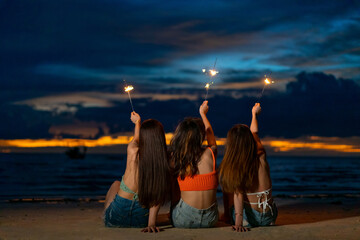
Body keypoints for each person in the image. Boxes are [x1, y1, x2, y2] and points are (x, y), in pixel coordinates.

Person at [103, 112, 170, 233]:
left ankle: (105, 214)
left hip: (116, 218)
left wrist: (137, 123)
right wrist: (151, 223)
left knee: (115, 184)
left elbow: (136, 139)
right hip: (141, 220)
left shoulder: (133, 151)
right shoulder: (162, 162)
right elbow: (157, 197)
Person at [219, 103, 277, 232]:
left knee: (231, 186)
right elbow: (254, 133)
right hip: (269, 216)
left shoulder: (237, 166)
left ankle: (228, 216)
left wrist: (239, 221)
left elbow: (238, 195)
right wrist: (254, 114)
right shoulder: (261, 155)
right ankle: (266, 219)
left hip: (249, 218)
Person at [170, 101, 219, 228]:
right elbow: (212, 141)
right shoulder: (209, 154)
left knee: (174, 182)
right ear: (201, 137)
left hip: (184, 219)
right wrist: (203, 114)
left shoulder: (176, 158)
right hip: (211, 219)